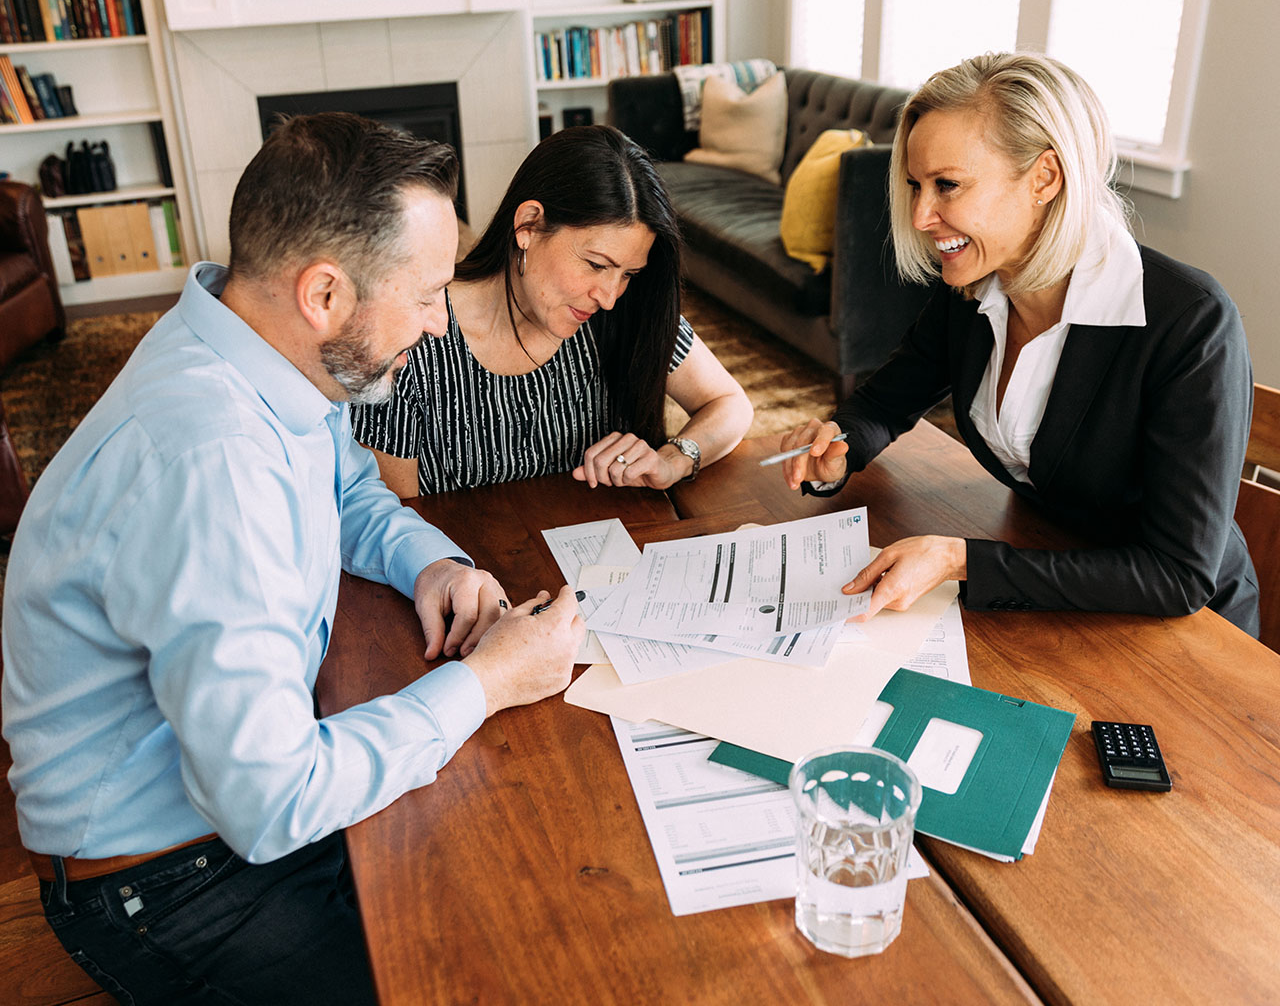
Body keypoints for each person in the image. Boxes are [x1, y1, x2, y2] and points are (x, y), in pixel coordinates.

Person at [0, 113, 585, 1005]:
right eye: (427, 292)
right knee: (493, 964)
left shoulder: (248, 347)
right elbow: (271, 803)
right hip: (171, 880)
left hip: (224, 810)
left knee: (524, 866)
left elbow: (348, 490)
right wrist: (490, 682)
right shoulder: (214, 464)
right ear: (323, 294)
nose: (438, 324)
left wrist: (432, 564)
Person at [778, 52, 1259, 635]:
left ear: (1045, 178)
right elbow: (882, 404)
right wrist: (842, 448)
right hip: (1045, 575)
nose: (921, 215)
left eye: (947, 185)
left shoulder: (1191, 323)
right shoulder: (974, 288)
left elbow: (1177, 575)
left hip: (1181, 632)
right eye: (914, 185)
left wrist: (959, 560)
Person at [351, 124, 753, 496]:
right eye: (596, 264)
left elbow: (730, 405)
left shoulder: (627, 311)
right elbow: (395, 519)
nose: (609, 296)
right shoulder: (415, 336)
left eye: (628, 273)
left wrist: (675, 458)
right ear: (528, 225)